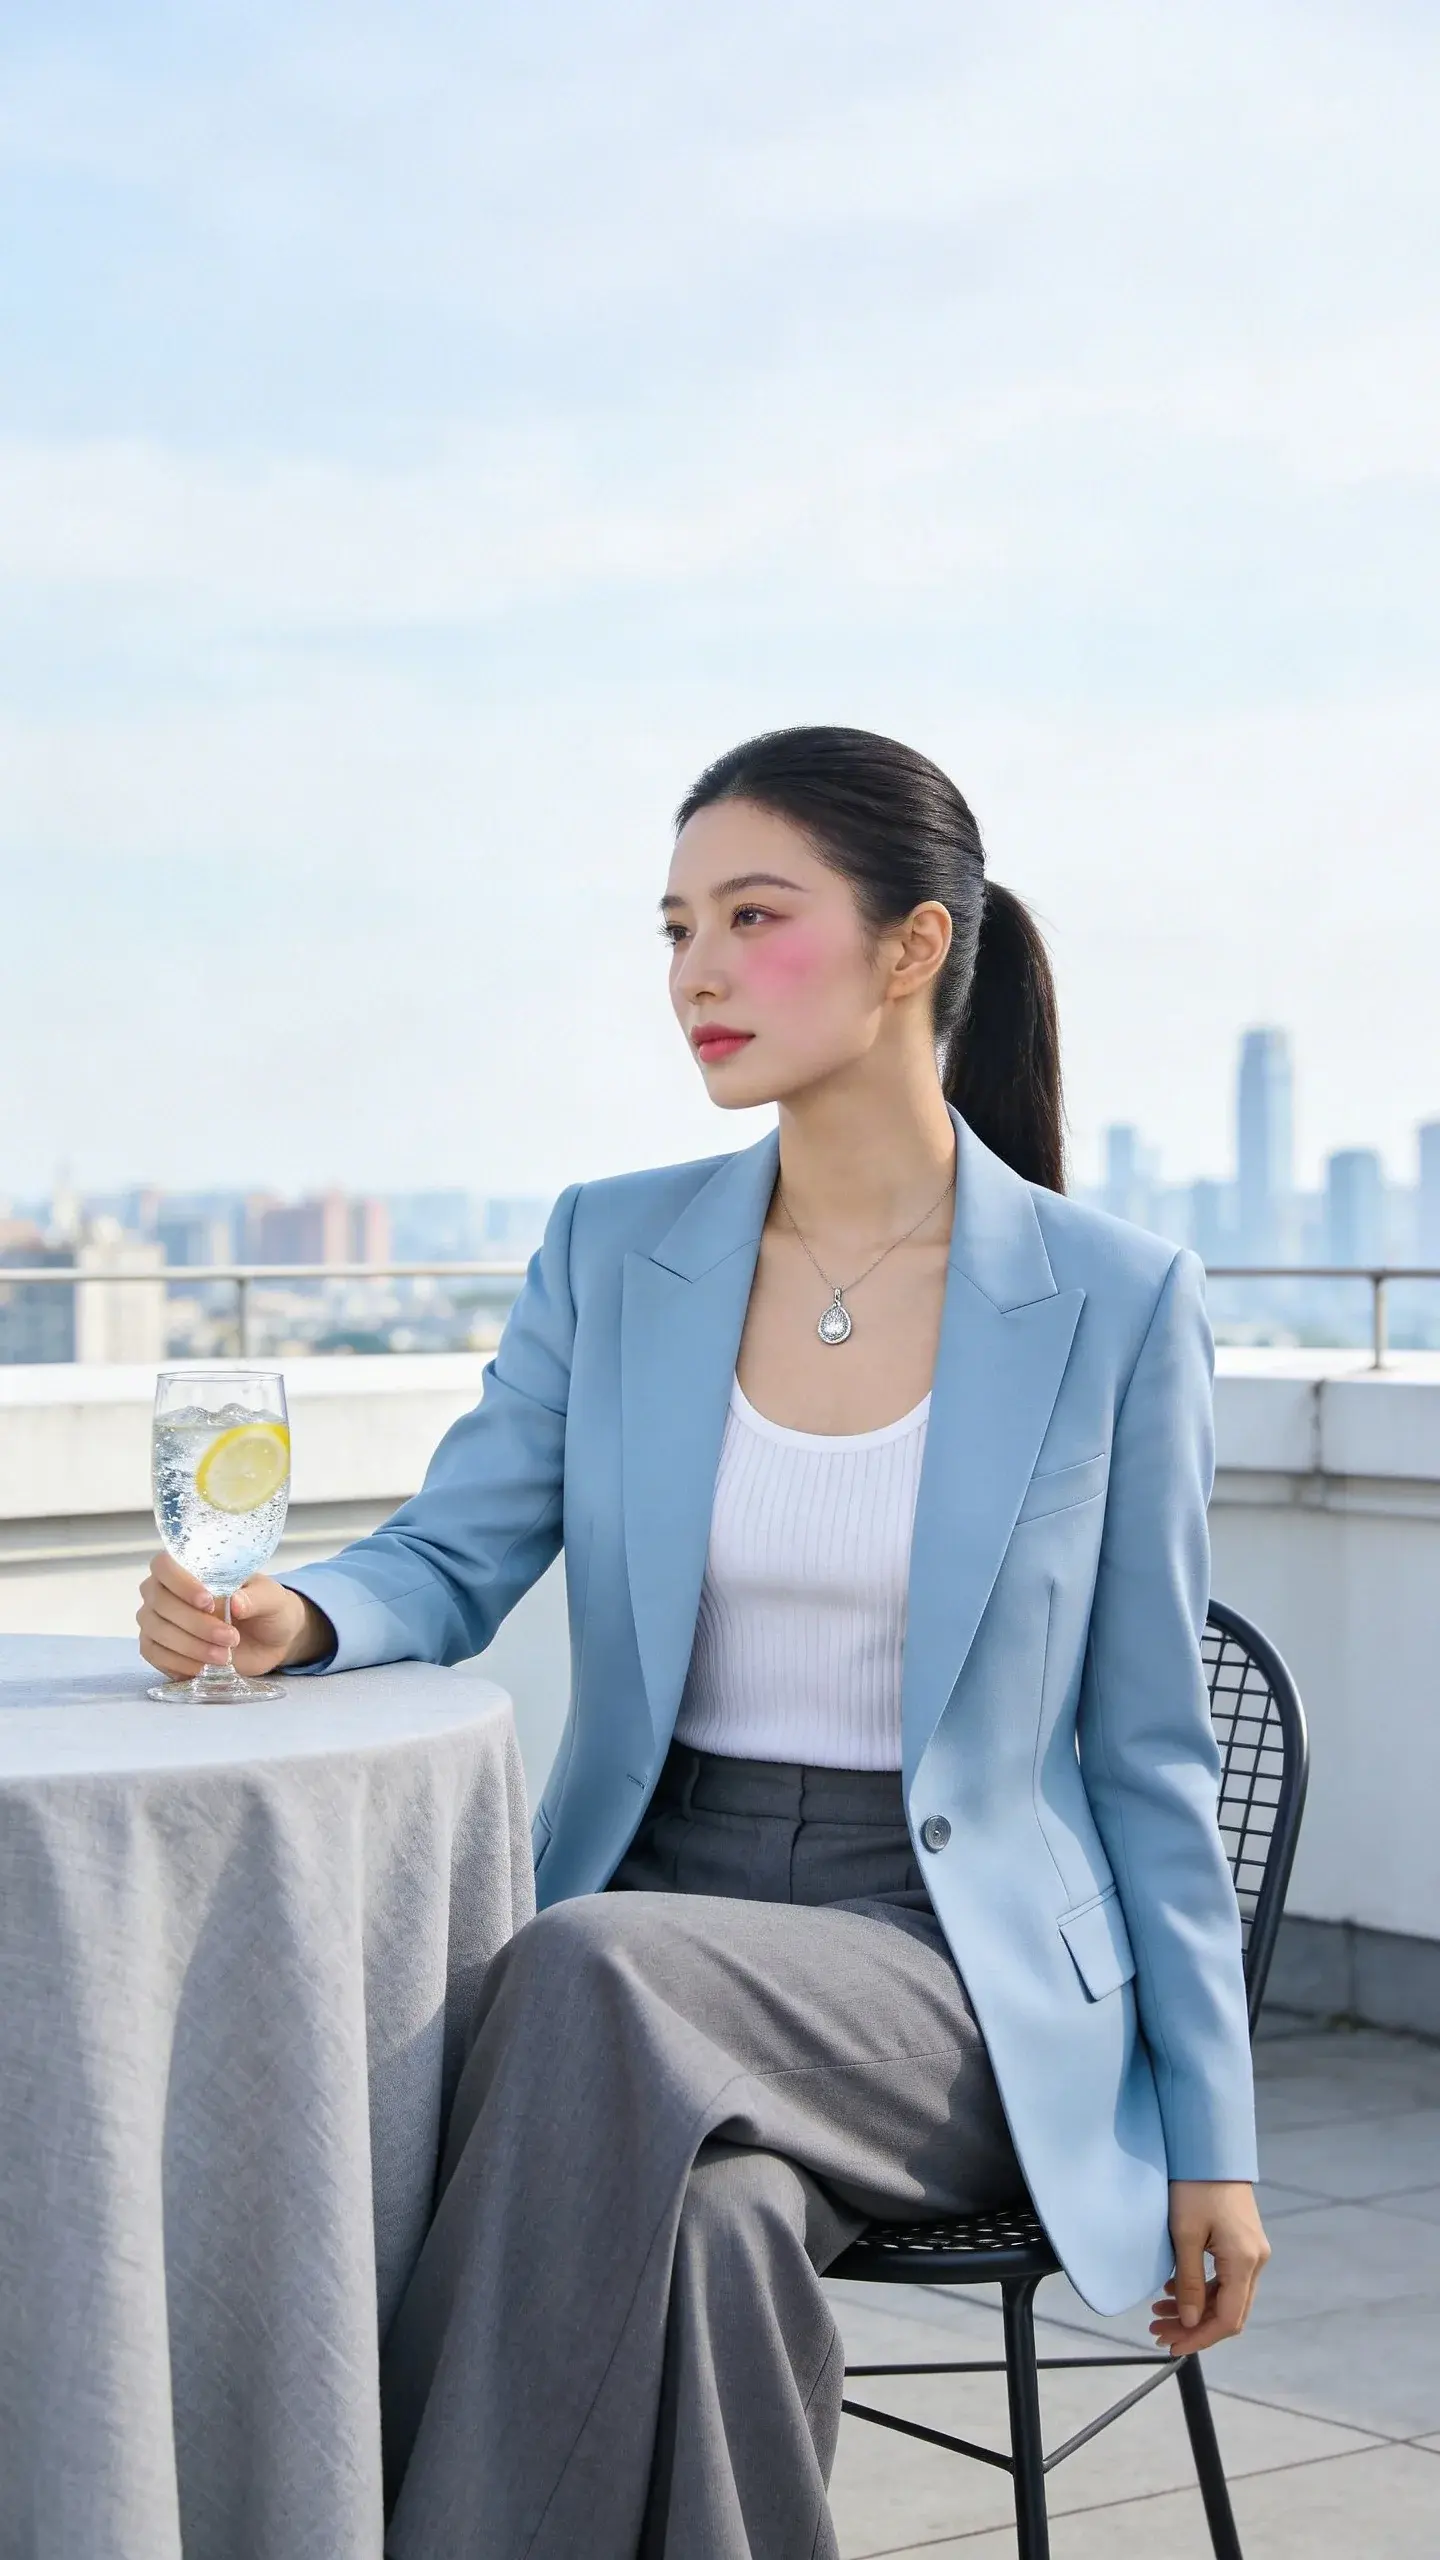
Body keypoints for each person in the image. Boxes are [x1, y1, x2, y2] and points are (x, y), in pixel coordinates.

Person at [138, 725, 1270, 2559]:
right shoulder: (615, 1249)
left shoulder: (1115, 1300)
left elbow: (1147, 1754)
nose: (698, 977)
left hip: (946, 1962)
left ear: (913, 948)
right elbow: (459, 1543)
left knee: (576, 1968)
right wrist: (305, 1610)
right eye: (675, 930)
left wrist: (1211, 2132)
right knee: (720, 2229)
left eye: (755, 918)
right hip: (677, 1895)